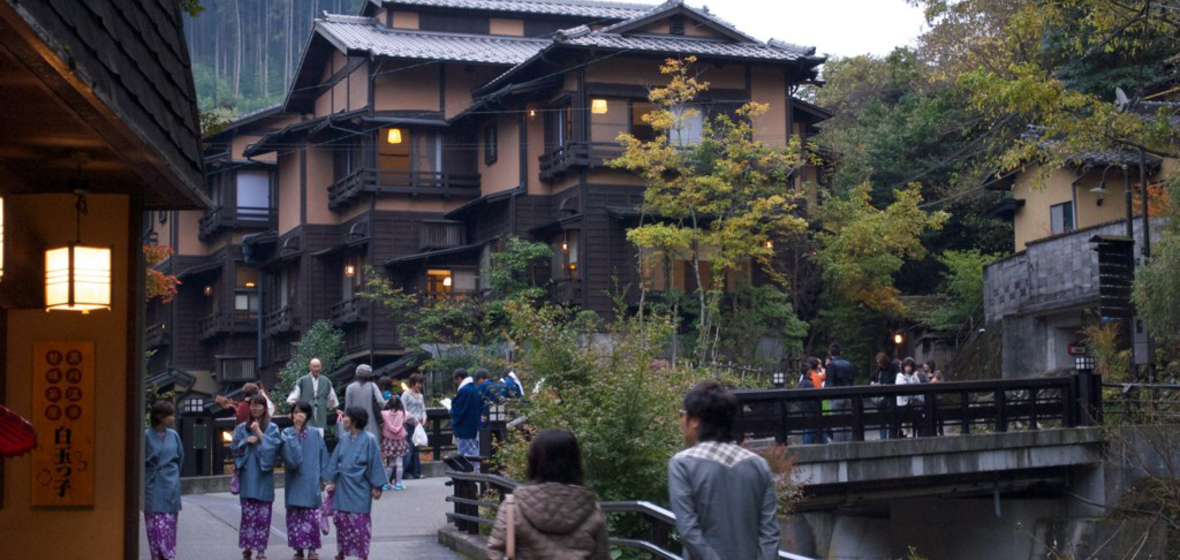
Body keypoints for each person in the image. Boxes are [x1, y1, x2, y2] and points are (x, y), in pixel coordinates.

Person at [669, 381, 780, 560]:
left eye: (682, 415)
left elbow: (689, 531)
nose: (681, 421)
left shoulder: (682, 464)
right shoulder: (758, 465)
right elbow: (770, 533)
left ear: (695, 421)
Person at [486, 430, 609, 560]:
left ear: (534, 462)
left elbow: (494, 551)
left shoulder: (513, 507)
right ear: (575, 462)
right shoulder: (591, 510)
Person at [325, 407, 389, 560]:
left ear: (354, 420)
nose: (343, 420)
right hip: (343, 485)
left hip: (360, 486)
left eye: (346, 417)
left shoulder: (369, 439)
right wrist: (330, 480)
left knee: (359, 524)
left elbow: (375, 463)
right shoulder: (344, 438)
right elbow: (334, 461)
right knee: (342, 521)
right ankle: (341, 551)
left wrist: (377, 486)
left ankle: (362, 555)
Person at [232, 394, 283, 560]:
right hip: (248, 476)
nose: (255, 408)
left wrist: (260, 434)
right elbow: (234, 449)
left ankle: (261, 550)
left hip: (263, 477)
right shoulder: (241, 428)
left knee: (263, 516)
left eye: (259, 405)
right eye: (253, 405)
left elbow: (276, 449)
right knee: (248, 515)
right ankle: (248, 546)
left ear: (265, 408)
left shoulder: (272, 428)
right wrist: (246, 441)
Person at [281, 402, 330, 560]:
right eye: (296, 412)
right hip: (294, 480)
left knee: (311, 517)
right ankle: (299, 548)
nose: (299, 415)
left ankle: (312, 548)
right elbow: (291, 460)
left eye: (302, 412)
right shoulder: (286, 434)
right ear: (291, 415)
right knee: (295, 517)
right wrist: (296, 431)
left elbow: (324, 456)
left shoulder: (315, 433)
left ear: (308, 415)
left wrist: (323, 477)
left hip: (311, 480)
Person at [145, 400, 184, 560]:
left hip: (170, 485)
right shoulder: (146, 435)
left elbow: (180, 458)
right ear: (159, 416)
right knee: (155, 529)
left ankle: (169, 556)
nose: (173, 418)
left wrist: (174, 477)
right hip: (152, 486)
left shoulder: (173, 435)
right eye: (170, 415)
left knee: (168, 527)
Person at [286, 358, 339, 433]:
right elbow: (292, 399)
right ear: (310, 367)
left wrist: (336, 409)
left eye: (318, 366)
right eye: (314, 366)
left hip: (320, 415)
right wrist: (295, 412)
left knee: (319, 439)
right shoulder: (302, 381)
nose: (316, 369)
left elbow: (332, 397)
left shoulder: (326, 381)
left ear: (321, 367)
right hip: (306, 416)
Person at [344, 364, 385, 443]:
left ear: (357, 374)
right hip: (372, 424)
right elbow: (381, 402)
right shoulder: (373, 386)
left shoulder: (350, 388)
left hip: (354, 423)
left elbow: (347, 408)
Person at [450, 368, 482, 464]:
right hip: (475, 425)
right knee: (475, 451)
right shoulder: (475, 389)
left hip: (465, 427)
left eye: (456, 380)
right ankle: (475, 471)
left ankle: (468, 474)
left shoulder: (464, 391)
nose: (456, 383)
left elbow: (458, 410)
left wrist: (452, 410)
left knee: (466, 454)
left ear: (459, 378)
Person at [380, 397, 410, 491]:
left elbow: (382, 408)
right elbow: (410, 416)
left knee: (391, 463)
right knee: (399, 463)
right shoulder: (403, 414)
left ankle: (386, 483)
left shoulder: (384, 414)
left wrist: (386, 401)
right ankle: (398, 483)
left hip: (388, 441)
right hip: (399, 440)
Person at [400, 373, 427, 480]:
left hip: (418, 425)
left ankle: (417, 472)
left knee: (416, 448)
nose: (419, 385)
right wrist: (413, 419)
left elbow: (423, 409)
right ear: (412, 382)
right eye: (418, 383)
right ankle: (406, 472)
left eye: (421, 383)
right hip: (408, 424)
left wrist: (424, 417)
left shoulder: (420, 395)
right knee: (409, 448)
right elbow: (403, 410)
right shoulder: (406, 395)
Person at [826, 343, 854, 442]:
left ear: (830, 353)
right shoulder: (849, 364)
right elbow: (851, 381)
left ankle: (839, 446)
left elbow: (829, 383)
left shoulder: (831, 365)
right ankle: (849, 445)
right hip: (849, 395)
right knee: (848, 422)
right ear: (841, 352)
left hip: (836, 396)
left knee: (837, 423)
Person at [797, 358, 826, 445]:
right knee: (811, 430)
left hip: (804, 409)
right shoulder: (809, 383)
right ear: (807, 371)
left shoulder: (801, 383)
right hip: (810, 410)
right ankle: (807, 445)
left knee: (808, 429)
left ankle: (807, 444)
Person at [894, 358, 924, 438]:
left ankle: (915, 432)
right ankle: (904, 432)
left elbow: (919, 388)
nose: (908, 368)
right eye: (906, 366)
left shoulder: (915, 376)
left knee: (916, 414)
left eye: (910, 366)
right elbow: (899, 388)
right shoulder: (899, 376)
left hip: (913, 402)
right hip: (903, 403)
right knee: (903, 417)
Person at [869, 352, 895, 440]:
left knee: (891, 419)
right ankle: (883, 438)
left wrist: (884, 384)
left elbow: (895, 379)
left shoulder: (893, 367)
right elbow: (870, 379)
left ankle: (892, 437)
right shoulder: (879, 370)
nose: (879, 364)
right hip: (881, 398)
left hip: (890, 397)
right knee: (882, 420)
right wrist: (872, 383)